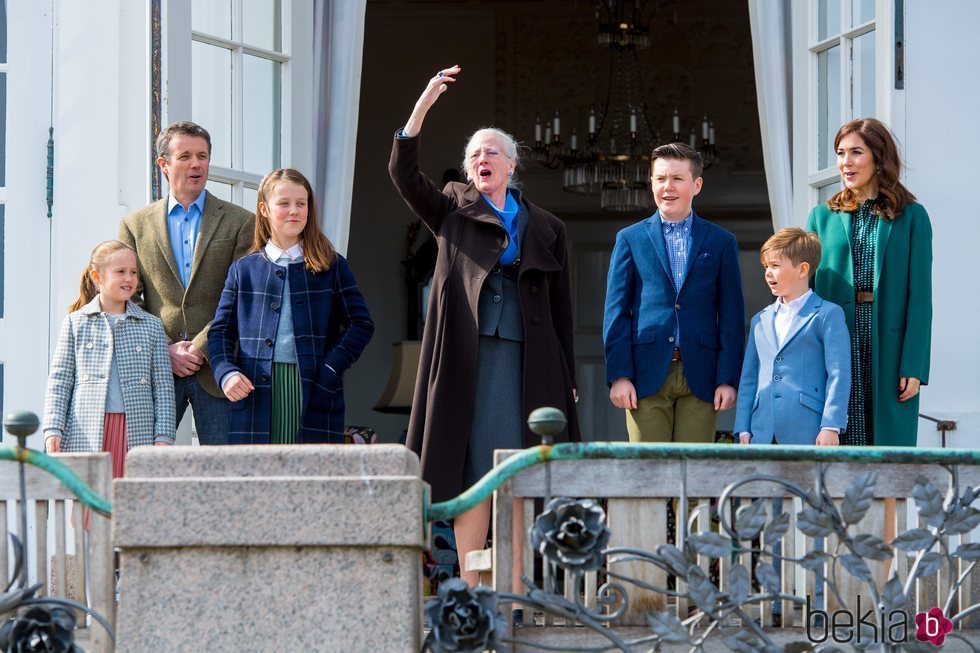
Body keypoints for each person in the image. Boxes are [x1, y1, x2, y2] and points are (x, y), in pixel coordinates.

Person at [389, 65, 580, 587]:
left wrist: (568, 376)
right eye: (474, 154)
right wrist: (422, 106)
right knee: (472, 469)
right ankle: (472, 595)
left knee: (520, 471)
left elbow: (563, 307)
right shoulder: (451, 206)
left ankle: (515, 593)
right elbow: (404, 176)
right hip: (466, 359)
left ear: (512, 165)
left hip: (528, 359)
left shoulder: (546, 225)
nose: (481, 159)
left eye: (491, 152)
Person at [208, 168, 374, 444]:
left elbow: (361, 324)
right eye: (284, 204)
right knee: (258, 481)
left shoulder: (332, 266)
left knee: (309, 481)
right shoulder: (243, 270)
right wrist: (226, 373)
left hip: (314, 387)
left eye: (301, 203)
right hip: (255, 392)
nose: (294, 211)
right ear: (264, 209)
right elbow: (220, 332)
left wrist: (331, 369)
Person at [119, 121, 254, 445]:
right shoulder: (135, 225)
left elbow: (242, 295)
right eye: (185, 156)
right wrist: (165, 348)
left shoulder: (241, 222)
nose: (196, 164)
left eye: (203, 156)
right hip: (156, 368)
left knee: (224, 475)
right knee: (142, 469)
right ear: (164, 164)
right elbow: (128, 298)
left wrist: (199, 347)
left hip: (219, 367)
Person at [603, 142, 744, 443]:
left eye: (677, 179)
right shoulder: (630, 239)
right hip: (645, 374)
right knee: (649, 476)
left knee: (693, 477)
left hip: (702, 375)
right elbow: (616, 313)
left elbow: (732, 315)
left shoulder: (721, 242)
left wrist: (728, 379)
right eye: (660, 178)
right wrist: (620, 375)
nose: (668, 187)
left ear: (697, 184)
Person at [806, 118, 932, 447]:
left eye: (855, 153)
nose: (845, 162)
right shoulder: (821, 217)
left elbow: (920, 298)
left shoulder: (912, 217)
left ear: (878, 157)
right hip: (836, 341)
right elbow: (808, 294)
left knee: (889, 456)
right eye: (840, 153)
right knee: (836, 446)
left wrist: (914, 366)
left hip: (889, 348)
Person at [43, 241, 175, 477]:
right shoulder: (76, 323)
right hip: (88, 428)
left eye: (134, 272)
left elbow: (164, 387)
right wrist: (53, 428)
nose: (129, 278)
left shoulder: (152, 326)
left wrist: (164, 435)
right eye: (121, 272)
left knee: (131, 500)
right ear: (97, 276)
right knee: (90, 500)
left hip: (137, 430)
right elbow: (60, 381)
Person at [734, 227, 850, 446]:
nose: (768, 272)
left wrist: (830, 425)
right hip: (762, 430)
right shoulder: (760, 319)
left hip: (809, 428)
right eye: (766, 266)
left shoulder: (827, 314)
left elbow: (838, 374)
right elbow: (749, 377)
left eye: (775, 265)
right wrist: (743, 426)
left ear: (802, 269)